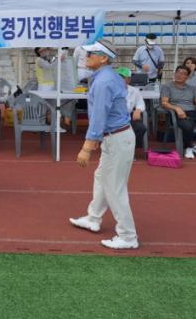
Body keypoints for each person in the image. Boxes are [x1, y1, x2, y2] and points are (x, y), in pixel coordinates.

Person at [69, 39, 139, 250]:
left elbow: (99, 116)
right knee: (102, 178)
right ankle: (93, 218)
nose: (86, 56)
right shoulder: (105, 77)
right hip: (116, 136)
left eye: (91, 54)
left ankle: (128, 236)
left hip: (117, 137)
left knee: (114, 188)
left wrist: (87, 147)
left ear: (103, 58)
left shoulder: (103, 81)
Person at [116, 67, 146, 150]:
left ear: (129, 79)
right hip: (115, 118)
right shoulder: (110, 90)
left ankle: (133, 148)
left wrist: (138, 110)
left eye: (122, 77)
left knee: (141, 128)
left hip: (129, 117)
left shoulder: (134, 90)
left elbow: (140, 103)